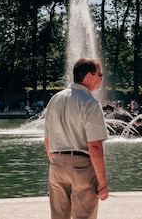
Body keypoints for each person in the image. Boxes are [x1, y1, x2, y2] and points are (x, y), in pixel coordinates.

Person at [44, 58, 109, 219]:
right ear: (88, 76)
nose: (102, 79)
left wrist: (57, 162)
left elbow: (47, 139)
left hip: (56, 164)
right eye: (100, 75)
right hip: (82, 167)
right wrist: (103, 183)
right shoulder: (90, 103)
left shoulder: (55, 99)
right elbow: (94, 146)